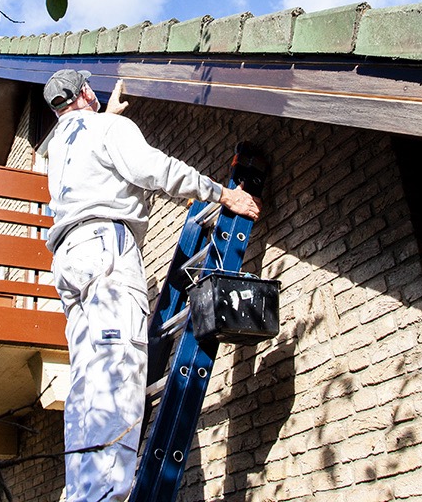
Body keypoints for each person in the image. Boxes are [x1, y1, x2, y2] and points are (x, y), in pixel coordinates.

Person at [41, 68, 260, 502]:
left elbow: (80, 131)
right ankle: (104, 495)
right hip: (106, 247)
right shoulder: (109, 127)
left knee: (87, 382)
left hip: (69, 259)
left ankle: (81, 493)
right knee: (118, 372)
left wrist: (105, 114)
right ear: (87, 92)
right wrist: (221, 194)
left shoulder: (57, 148)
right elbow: (153, 168)